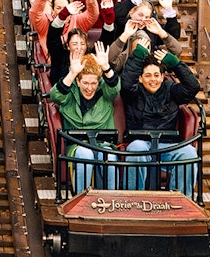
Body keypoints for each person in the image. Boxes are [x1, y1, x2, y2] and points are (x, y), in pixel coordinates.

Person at [120, 44, 201, 196]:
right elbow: (126, 82)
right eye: (148, 75)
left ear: (163, 77)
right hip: (141, 143)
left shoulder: (171, 90)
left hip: (167, 145)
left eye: (157, 75)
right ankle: (133, 199)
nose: (153, 80)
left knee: (189, 152)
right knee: (136, 148)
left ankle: (180, 200)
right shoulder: (134, 92)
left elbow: (192, 87)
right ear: (140, 78)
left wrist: (176, 64)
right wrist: (137, 57)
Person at [50, 46, 121, 192]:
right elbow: (55, 96)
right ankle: (81, 198)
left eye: (94, 83)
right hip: (77, 145)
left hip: (103, 143)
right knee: (85, 154)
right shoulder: (70, 92)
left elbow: (115, 88)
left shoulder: (105, 92)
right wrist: (72, 73)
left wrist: (106, 67)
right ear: (78, 81)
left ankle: (111, 198)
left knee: (110, 157)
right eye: (86, 83)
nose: (90, 88)